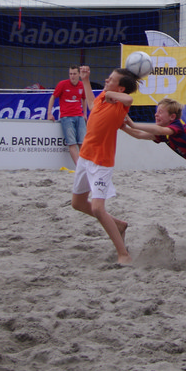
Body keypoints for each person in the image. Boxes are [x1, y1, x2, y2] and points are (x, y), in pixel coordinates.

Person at [124, 98, 186, 257]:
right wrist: (123, 127)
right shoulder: (164, 133)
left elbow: (156, 130)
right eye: (156, 112)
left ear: (172, 117)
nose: (156, 115)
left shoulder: (176, 126)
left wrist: (133, 124)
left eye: (160, 112)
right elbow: (140, 135)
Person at [71, 67, 139, 265]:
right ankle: (119, 225)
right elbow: (92, 104)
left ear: (121, 88)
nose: (106, 81)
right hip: (85, 157)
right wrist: (85, 80)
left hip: (101, 162)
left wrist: (111, 94)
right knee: (77, 204)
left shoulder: (120, 104)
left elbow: (129, 99)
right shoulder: (103, 96)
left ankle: (123, 254)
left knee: (98, 209)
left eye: (111, 80)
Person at [48, 65, 92, 165]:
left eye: (74, 74)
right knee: (72, 143)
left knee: (82, 143)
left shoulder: (81, 85)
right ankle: (79, 166)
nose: (72, 76)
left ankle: (85, 166)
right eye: (70, 74)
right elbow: (53, 97)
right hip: (67, 117)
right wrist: (49, 113)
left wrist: (85, 114)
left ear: (79, 74)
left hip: (79, 116)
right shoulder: (62, 84)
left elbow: (84, 99)